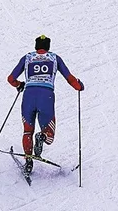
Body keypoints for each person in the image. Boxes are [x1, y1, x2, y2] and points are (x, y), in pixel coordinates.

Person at [7, 35, 84, 178]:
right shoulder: (55, 58)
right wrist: (79, 86)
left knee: (27, 130)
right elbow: (70, 78)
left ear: (36, 46)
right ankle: (42, 137)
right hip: (46, 97)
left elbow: (11, 79)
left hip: (29, 96)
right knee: (50, 135)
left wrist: (20, 85)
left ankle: (28, 162)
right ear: (48, 46)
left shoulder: (27, 57)